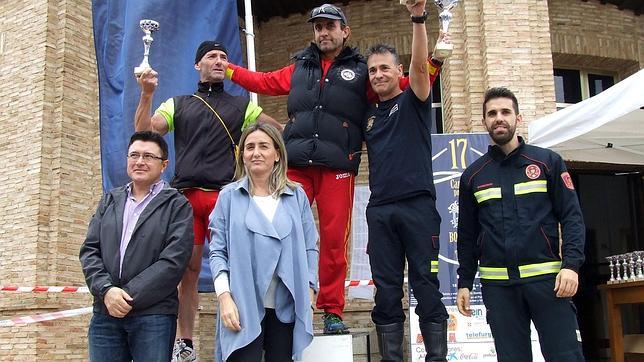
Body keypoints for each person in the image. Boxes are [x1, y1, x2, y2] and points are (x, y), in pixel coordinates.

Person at [225, 3, 444, 334]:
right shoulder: (299, 67)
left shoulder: (362, 71)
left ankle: (332, 310)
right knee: (275, 229)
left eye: (330, 25)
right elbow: (264, 81)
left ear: (345, 31)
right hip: (296, 164)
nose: (323, 32)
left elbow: (405, 82)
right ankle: (271, 300)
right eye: (318, 27)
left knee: (332, 241)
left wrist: (434, 62)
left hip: (338, 167)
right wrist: (228, 70)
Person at [134, 40, 280, 361]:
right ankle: (184, 343)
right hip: (186, 199)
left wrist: (313, 130)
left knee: (236, 269)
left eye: (224, 57)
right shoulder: (178, 103)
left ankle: (242, 338)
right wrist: (146, 95)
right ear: (197, 65)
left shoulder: (244, 106)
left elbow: (278, 134)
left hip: (223, 200)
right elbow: (146, 131)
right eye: (212, 56)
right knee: (187, 272)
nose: (219, 61)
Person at [456, 87, 586, 361]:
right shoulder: (473, 176)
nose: (498, 118)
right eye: (492, 114)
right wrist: (464, 282)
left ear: (518, 117)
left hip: (548, 283)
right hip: (499, 288)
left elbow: (572, 217)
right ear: (484, 123)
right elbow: (467, 235)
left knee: (566, 357)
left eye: (505, 112)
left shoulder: (548, 162)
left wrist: (571, 266)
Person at [362, 1, 449, 360]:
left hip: (417, 207)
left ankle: (437, 357)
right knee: (385, 292)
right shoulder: (367, 115)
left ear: (398, 70)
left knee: (426, 287)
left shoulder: (414, 98)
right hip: (380, 210)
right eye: (372, 71)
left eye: (385, 68)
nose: (378, 74)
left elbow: (420, 67)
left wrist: (417, 17)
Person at [79, 131, 194, 361]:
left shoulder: (177, 205)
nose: (140, 161)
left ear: (164, 165)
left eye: (149, 156)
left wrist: (126, 297)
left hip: (154, 317)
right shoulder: (110, 200)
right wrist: (107, 291)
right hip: (105, 314)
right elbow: (89, 251)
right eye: (134, 155)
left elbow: (174, 261)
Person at [209, 123, 319, 361]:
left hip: (287, 306)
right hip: (241, 306)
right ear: (242, 155)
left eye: (263, 146)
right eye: (249, 147)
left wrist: (310, 291)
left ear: (277, 154)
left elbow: (311, 246)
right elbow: (218, 252)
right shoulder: (228, 197)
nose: (256, 152)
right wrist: (224, 297)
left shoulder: (296, 196)